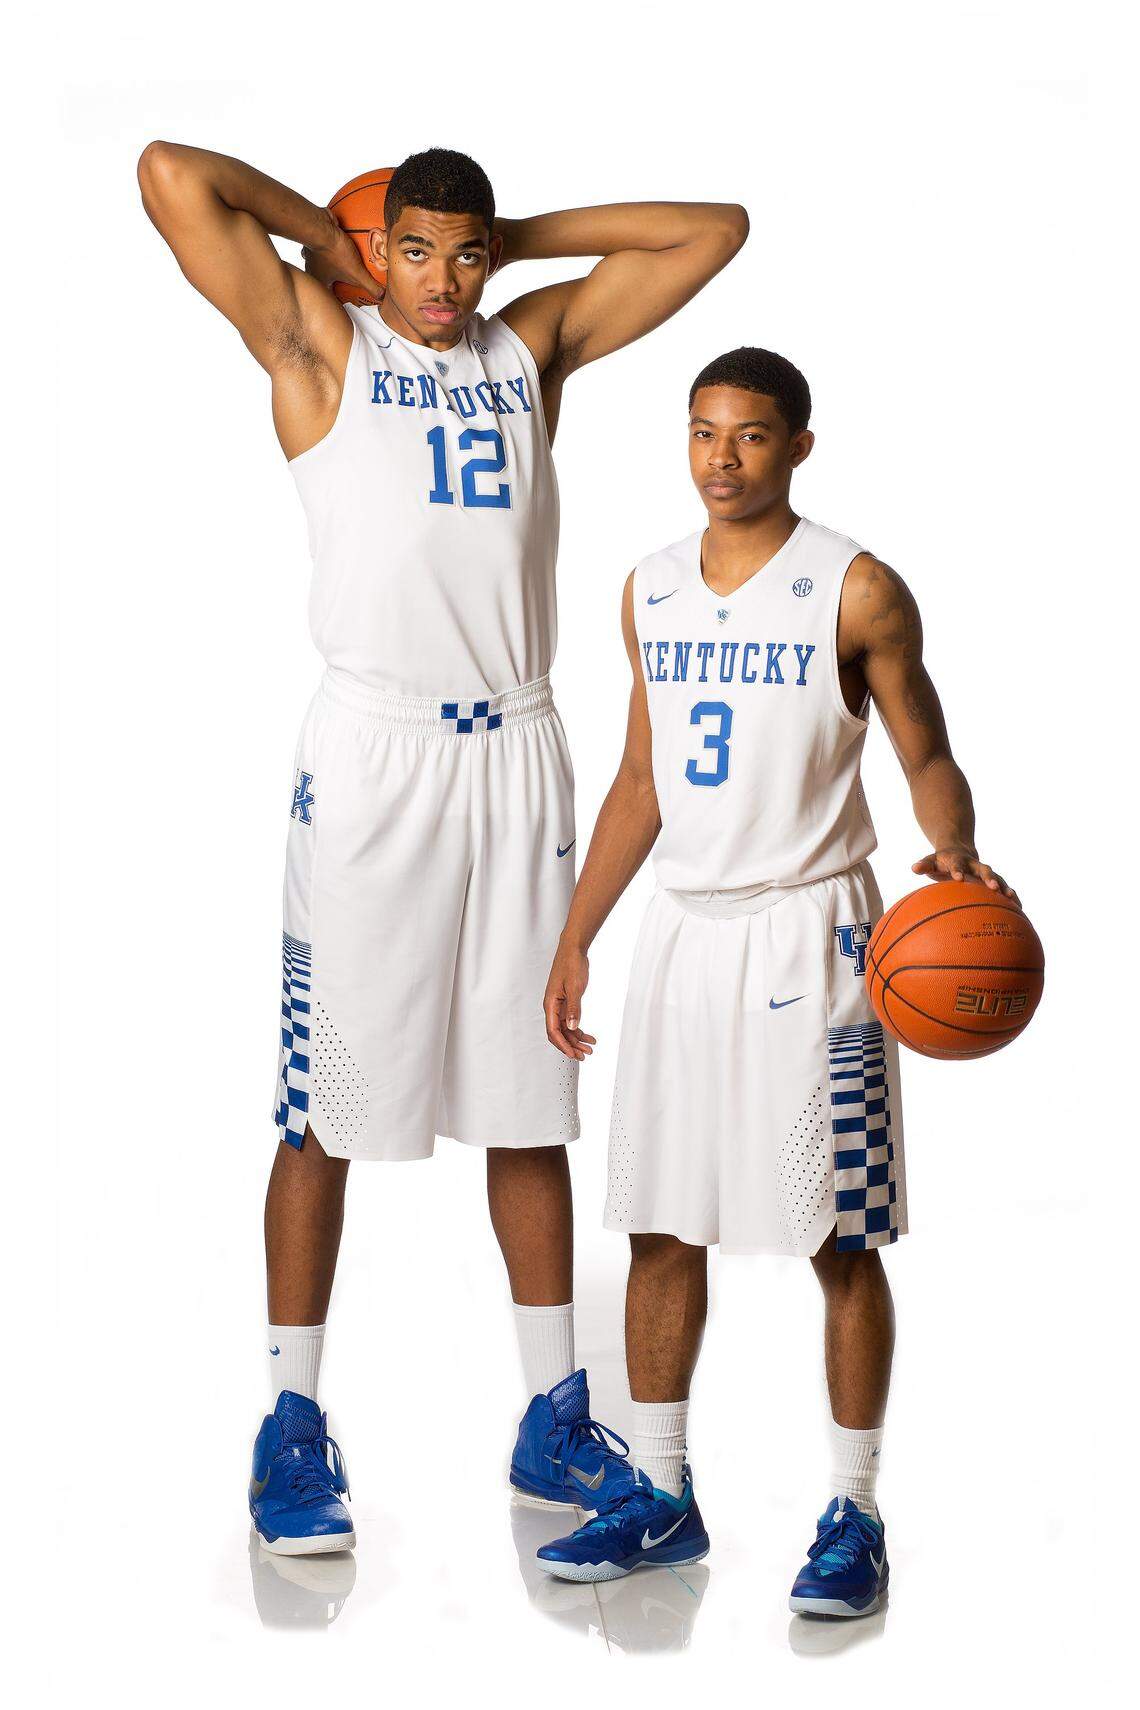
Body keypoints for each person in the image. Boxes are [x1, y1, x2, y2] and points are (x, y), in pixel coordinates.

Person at [137, 141, 748, 1556]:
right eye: (418, 250)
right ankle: (291, 1421)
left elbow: (713, 228)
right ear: (381, 250)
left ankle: (552, 1415)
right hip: (376, 754)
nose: (444, 280)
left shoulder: (524, 350)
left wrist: (516, 235)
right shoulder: (315, 342)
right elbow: (170, 173)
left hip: (518, 746)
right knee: (326, 1106)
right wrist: (330, 237)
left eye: (464, 255)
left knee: (530, 1105)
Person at [537, 345, 1016, 1613]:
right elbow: (641, 782)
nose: (723, 458)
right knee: (659, 1225)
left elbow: (925, 752)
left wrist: (955, 847)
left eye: (750, 435)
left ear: (798, 445)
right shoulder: (648, 588)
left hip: (818, 936)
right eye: (703, 432)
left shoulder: (855, 588)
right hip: (686, 938)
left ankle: (855, 1512)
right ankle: (661, 1493)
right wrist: (578, 935)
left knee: (841, 1237)